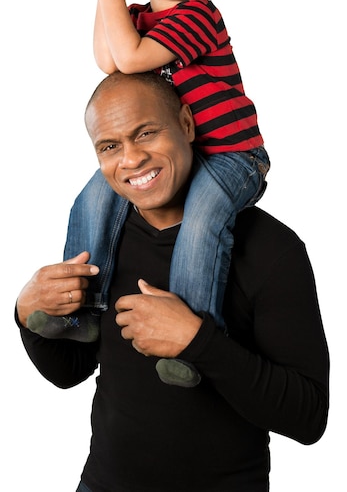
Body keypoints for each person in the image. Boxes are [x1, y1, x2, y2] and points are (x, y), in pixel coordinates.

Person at [16, 72, 329, 492]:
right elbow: (69, 371)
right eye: (110, 146)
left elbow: (308, 417)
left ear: (185, 124)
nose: (131, 159)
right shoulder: (103, 237)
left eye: (145, 133)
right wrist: (25, 313)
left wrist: (198, 342)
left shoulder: (273, 249)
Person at [26, 0, 270, 388]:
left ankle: (191, 339)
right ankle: (82, 311)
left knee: (202, 221)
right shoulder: (136, 16)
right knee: (93, 195)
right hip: (186, 152)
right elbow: (109, 61)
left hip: (231, 156)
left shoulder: (199, 15)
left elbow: (132, 60)